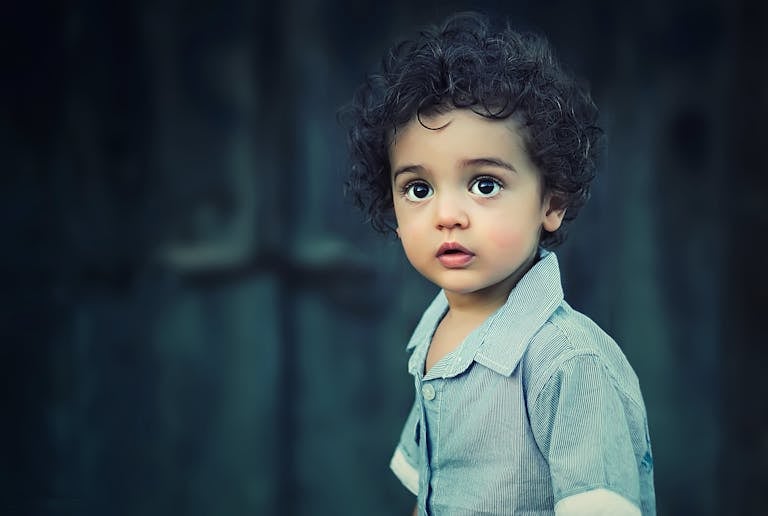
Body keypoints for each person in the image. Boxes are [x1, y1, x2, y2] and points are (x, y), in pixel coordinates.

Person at [341, 11, 656, 516]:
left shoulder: (568, 362)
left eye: (484, 184)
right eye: (418, 189)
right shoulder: (434, 331)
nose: (447, 216)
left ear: (550, 202)